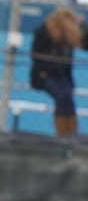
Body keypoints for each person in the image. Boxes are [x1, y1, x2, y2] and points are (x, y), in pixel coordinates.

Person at [30, 8, 88, 136]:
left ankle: (71, 132)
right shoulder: (44, 32)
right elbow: (36, 56)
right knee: (62, 96)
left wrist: (83, 25)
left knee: (68, 98)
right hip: (45, 75)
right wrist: (44, 71)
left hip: (62, 75)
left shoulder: (69, 36)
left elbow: (85, 44)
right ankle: (63, 132)